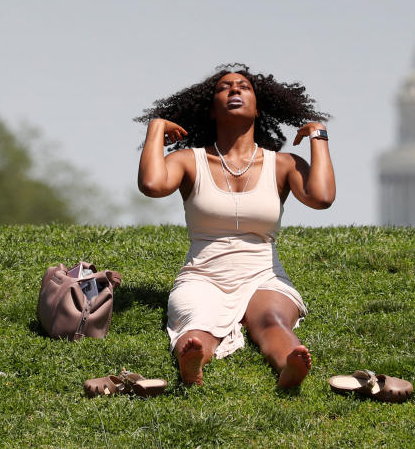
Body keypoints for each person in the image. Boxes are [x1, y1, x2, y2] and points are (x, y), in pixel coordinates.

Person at [135, 64, 335, 388]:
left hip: (263, 275)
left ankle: (289, 366)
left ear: (258, 108)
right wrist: (155, 129)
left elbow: (321, 197)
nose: (234, 90)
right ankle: (192, 361)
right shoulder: (189, 160)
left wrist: (318, 135)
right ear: (211, 110)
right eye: (224, 88)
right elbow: (152, 185)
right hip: (202, 274)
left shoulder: (283, 164)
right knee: (197, 324)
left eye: (243, 86)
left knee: (271, 321)